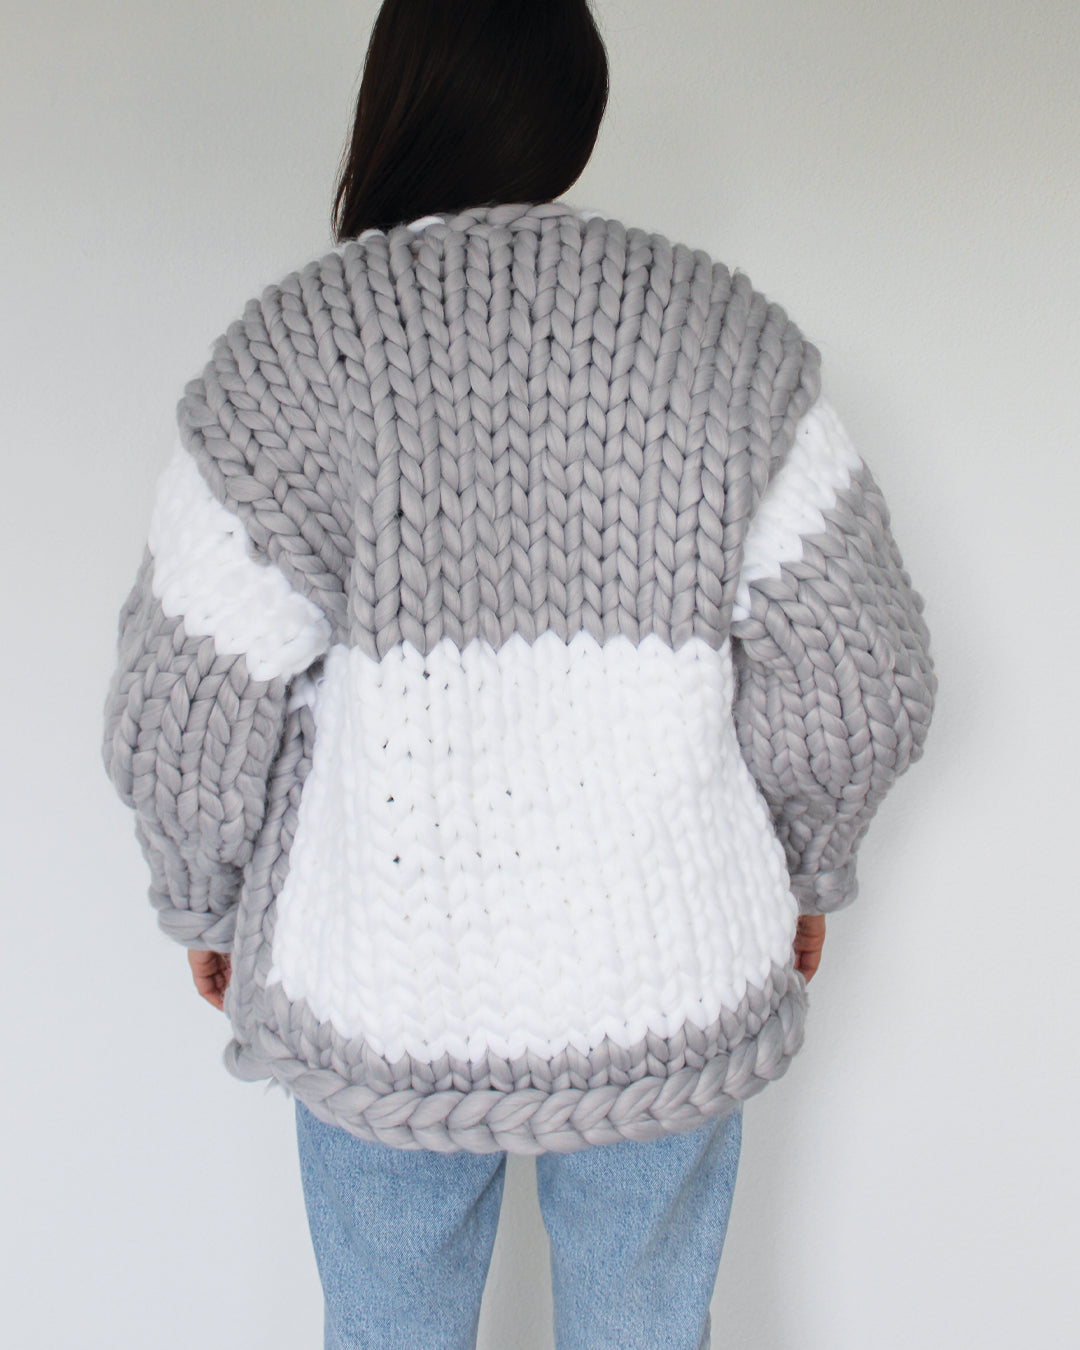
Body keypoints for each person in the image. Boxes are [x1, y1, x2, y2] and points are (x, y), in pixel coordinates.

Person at [100, 2, 936, 1347]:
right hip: (670, 979)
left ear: (392, 105)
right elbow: (860, 673)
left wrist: (204, 895)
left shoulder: (292, 361)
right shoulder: (723, 344)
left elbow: (185, 704)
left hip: (381, 990)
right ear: (574, 111)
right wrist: (806, 861)